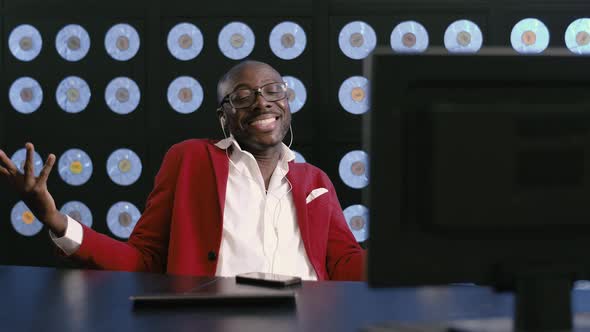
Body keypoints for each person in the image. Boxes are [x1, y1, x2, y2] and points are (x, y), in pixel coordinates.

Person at [0, 60, 365, 281]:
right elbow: (143, 259)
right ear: (224, 117)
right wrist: (56, 220)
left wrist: (415, 257)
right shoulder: (189, 160)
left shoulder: (315, 181)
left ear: (286, 103)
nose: (261, 101)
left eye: (272, 90)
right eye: (242, 96)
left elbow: (346, 263)